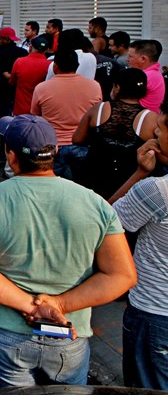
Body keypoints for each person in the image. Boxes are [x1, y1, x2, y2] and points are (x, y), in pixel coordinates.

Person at [0, 115, 137, 389]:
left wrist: (30, 306)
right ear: (54, 152)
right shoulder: (95, 203)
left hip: (6, 332)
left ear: (11, 156)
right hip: (68, 334)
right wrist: (59, 305)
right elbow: (122, 275)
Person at [109, 102, 168, 390]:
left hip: (155, 313)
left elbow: (105, 221)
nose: (155, 131)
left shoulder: (156, 190)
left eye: (162, 126)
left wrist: (139, 173)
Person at [73, 68, 157, 199]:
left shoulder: (98, 109)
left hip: (94, 176)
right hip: (128, 184)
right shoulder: (151, 118)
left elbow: (77, 139)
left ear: (117, 87)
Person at [31, 50, 102, 182]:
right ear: (77, 65)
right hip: (83, 144)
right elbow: (97, 117)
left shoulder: (42, 88)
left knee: (50, 184)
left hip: (53, 145)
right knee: (82, 185)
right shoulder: (94, 86)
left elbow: (35, 117)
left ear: (55, 66)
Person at [0, 27, 28, 117]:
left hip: (2, 88)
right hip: (20, 86)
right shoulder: (24, 52)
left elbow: (1, 71)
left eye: (0, 38)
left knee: (4, 114)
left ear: (5, 39)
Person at [9, 35, 50, 116]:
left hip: (21, 110)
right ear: (47, 50)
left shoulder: (19, 62)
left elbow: (12, 82)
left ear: (30, 47)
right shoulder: (50, 65)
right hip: (40, 111)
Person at [127, 39, 165, 114]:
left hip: (142, 120)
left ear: (143, 59)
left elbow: (123, 98)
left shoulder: (146, 77)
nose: (127, 59)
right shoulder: (154, 74)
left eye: (130, 56)